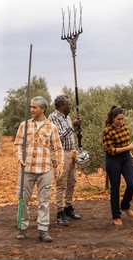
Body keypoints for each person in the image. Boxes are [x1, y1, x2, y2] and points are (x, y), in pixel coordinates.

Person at [14, 96, 64, 242]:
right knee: (22, 199)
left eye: (34, 107)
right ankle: (22, 228)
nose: (31, 109)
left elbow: (58, 149)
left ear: (42, 109)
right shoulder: (24, 125)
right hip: (26, 168)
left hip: (45, 169)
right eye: (31, 107)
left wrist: (59, 165)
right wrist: (19, 156)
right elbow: (18, 144)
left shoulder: (51, 128)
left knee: (44, 201)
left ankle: (43, 230)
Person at [103, 106, 133, 226]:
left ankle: (125, 206)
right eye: (119, 119)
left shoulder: (124, 127)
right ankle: (116, 216)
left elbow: (125, 143)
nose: (121, 122)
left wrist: (130, 154)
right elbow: (110, 150)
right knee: (115, 188)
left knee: (132, 184)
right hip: (113, 160)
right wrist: (128, 148)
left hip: (126, 158)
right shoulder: (107, 131)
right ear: (113, 118)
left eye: (122, 119)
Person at [48, 95, 82, 227]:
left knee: (72, 181)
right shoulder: (53, 118)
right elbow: (58, 137)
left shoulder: (67, 117)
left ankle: (68, 207)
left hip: (71, 152)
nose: (70, 106)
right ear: (61, 106)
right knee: (61, 183)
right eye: (68, 104)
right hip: (60, 153)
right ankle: (59, 212)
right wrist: (72, 126)